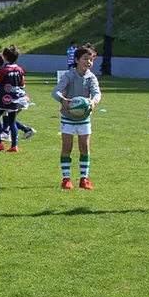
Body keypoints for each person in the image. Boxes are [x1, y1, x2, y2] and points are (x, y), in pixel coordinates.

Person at [55, 44, 101, 190]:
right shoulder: (69, 75)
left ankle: (84, 179)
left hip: (84, 118)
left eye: (91, 60)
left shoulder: (91, 77)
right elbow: (56, 92)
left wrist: (93, 101)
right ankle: (66, 179)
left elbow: (97, 93)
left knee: (84, 147)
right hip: (68, 117)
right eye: (85, 59)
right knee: (67, 147)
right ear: (76, 60)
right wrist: (63, 100)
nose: (88, 62)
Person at [0, 45, 30, 153]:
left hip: (3, 98)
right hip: (15, 99)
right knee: (12, 121)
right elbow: (22, 85)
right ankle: (14, 146)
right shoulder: (20, 70)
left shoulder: (3, 70)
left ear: (5, 57)